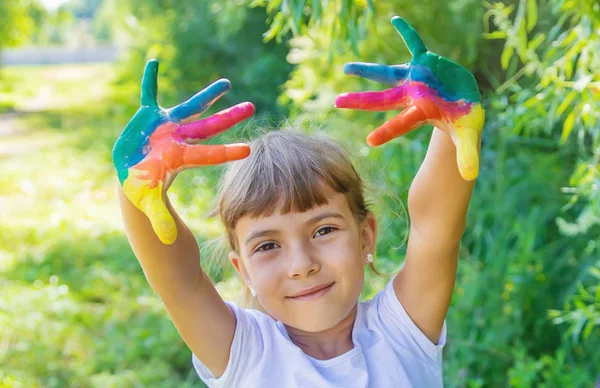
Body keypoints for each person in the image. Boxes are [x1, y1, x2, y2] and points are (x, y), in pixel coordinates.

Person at [113, 16, 483, 388]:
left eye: (323, 230)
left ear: (366, 236)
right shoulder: (244, 352)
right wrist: (139, 187)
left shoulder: (402, 329)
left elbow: (433, 228)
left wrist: (454, 121)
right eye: (268, 245)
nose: (301, 265)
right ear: (242, 270)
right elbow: (179, 282)